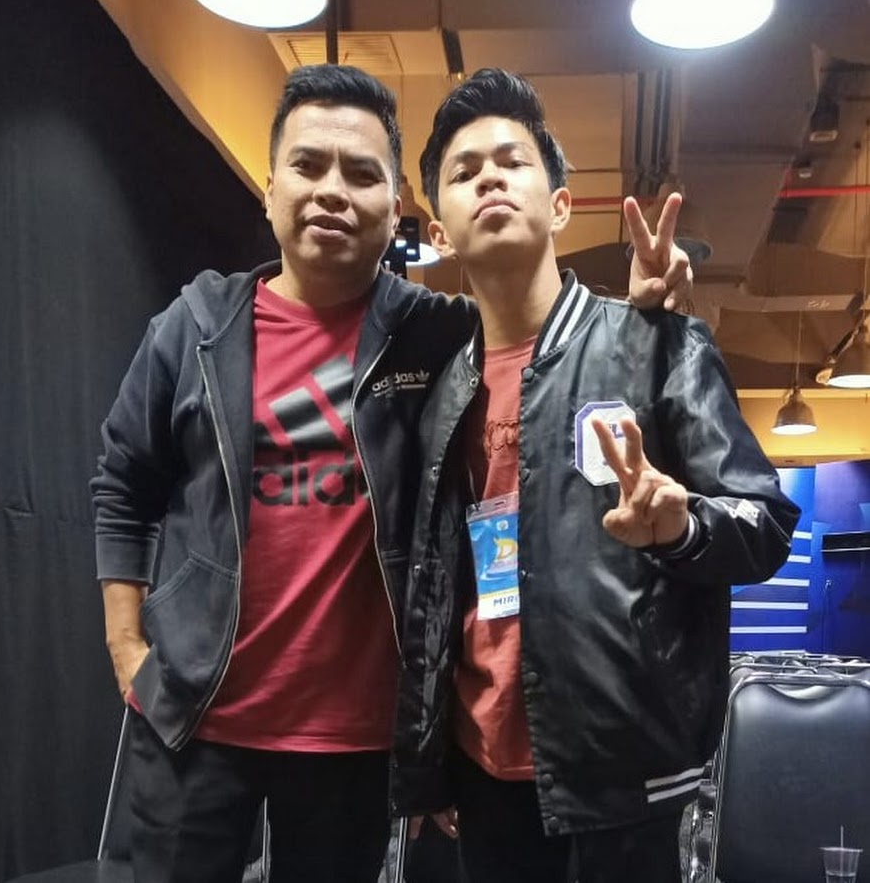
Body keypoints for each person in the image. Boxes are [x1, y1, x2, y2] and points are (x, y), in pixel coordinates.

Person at [91, 64, 693, 883]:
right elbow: (123, 485)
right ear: (269, 191)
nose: (332, 191)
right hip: (195, 718)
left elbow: (540, 328)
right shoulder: (194, 329)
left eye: (362, 173)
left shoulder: (439, 333)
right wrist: (127, 648)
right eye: (308, 166)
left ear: (397, 207)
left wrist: (642, 317)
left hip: (353, 739)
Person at [389, 68, 801, 883]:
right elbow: (440, 585)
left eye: (512, 161)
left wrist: (681, 527)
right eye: (464, 172)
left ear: (560, 206)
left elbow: (766, 527)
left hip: (624, 772)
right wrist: (430, 760)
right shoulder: (444, 393)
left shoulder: (654, 343)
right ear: (440, 228)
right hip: (482, 771)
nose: (489, 179)